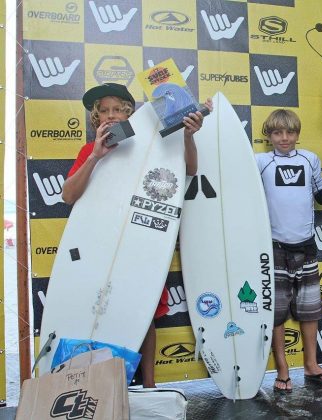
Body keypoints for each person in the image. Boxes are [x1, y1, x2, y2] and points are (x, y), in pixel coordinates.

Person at [62, 82, 212, 387]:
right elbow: (68, 196)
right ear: (96, 118)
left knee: (144, 311)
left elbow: (191, 169)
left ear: (130, 113)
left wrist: (188, 135)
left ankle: (149, 385)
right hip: (102, 244)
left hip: (143, 243)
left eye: (118, 109)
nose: (111, 115)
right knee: (101, 307)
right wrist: (95, 156)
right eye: (104, 110)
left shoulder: (151, 145)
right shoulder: (89, 151)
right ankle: (103, 385)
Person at [256, 109, 322, 392]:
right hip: (273, 249)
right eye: (277, 133)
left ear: (298, 134)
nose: (284, 138)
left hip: (307, 248)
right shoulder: (259, 161)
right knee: (276, 313)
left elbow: (321, 194)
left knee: (310, 311)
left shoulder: (310, 159)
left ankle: (311, 365)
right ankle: (282, 369)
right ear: (268, 135)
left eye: (289, 132)